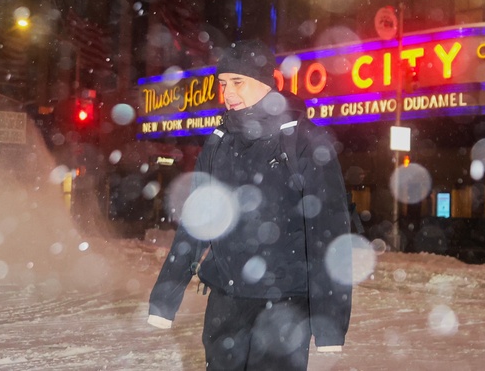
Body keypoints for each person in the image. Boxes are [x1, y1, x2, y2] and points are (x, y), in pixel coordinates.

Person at [147, 39, 352, 370]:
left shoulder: (305, 142)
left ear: (268, 82)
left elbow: (328, 233)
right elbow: (195, 225)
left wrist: (329, 322)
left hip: (286, 304)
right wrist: (165, 296)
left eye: (238, 82)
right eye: (223, 83)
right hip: (226, 302)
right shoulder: (217, 145)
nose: (228, 93)